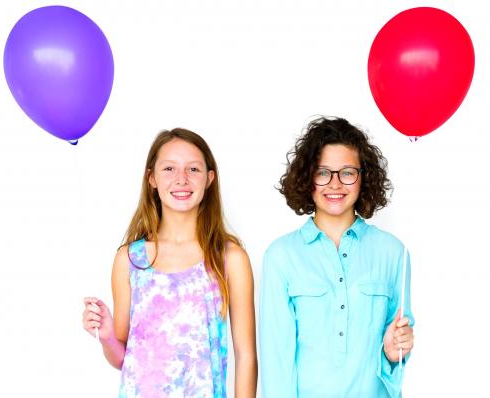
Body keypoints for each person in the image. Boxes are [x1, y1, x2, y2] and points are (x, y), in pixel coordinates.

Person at [82, 128, 257, 397]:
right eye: (169, 169)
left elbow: (245, 355)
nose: (182, 179)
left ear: (210, 179)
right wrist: (106, 336)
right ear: (151, 177)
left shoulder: (229, 258)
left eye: (194, 169)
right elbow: (123, 359)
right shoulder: (130, 260)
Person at [259, 116, 414, 398]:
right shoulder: (281, 256)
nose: (335, 184)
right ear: (308, 178)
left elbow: (395, 359)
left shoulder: (394, 253)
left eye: (347, 172)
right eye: (322, 173)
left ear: (363, 177)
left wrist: (393, 354)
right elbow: (276, 360)